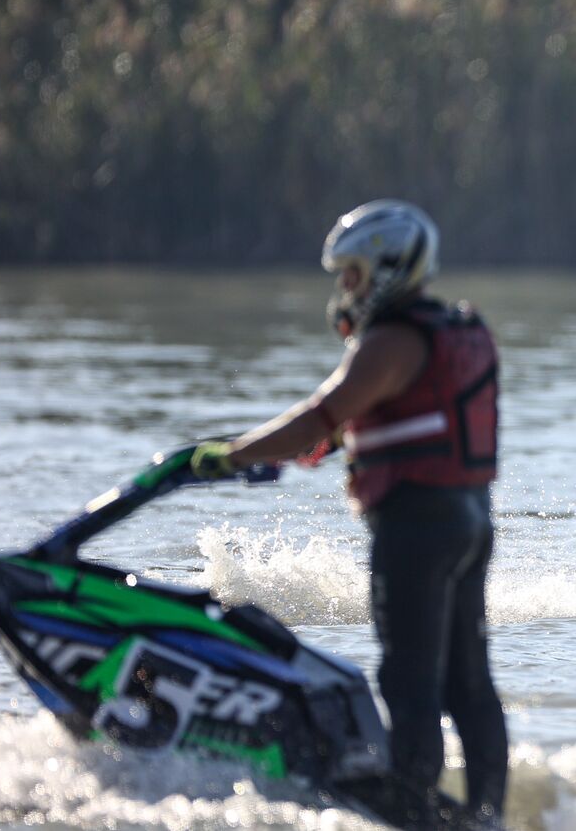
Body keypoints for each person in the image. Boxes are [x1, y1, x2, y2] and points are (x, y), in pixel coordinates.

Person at [189, 200, 508, 828]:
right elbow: (368, 420)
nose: (344, 288)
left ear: (388, 269)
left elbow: (319, 415)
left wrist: (227, 457)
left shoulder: (390, 339)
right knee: (470, 685)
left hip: (417, 530)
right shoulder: (452, 328)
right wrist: (311, 447)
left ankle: (413, 808)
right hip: (469, 522)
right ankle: (486, 814)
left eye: (353, 273)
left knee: (410, 684)